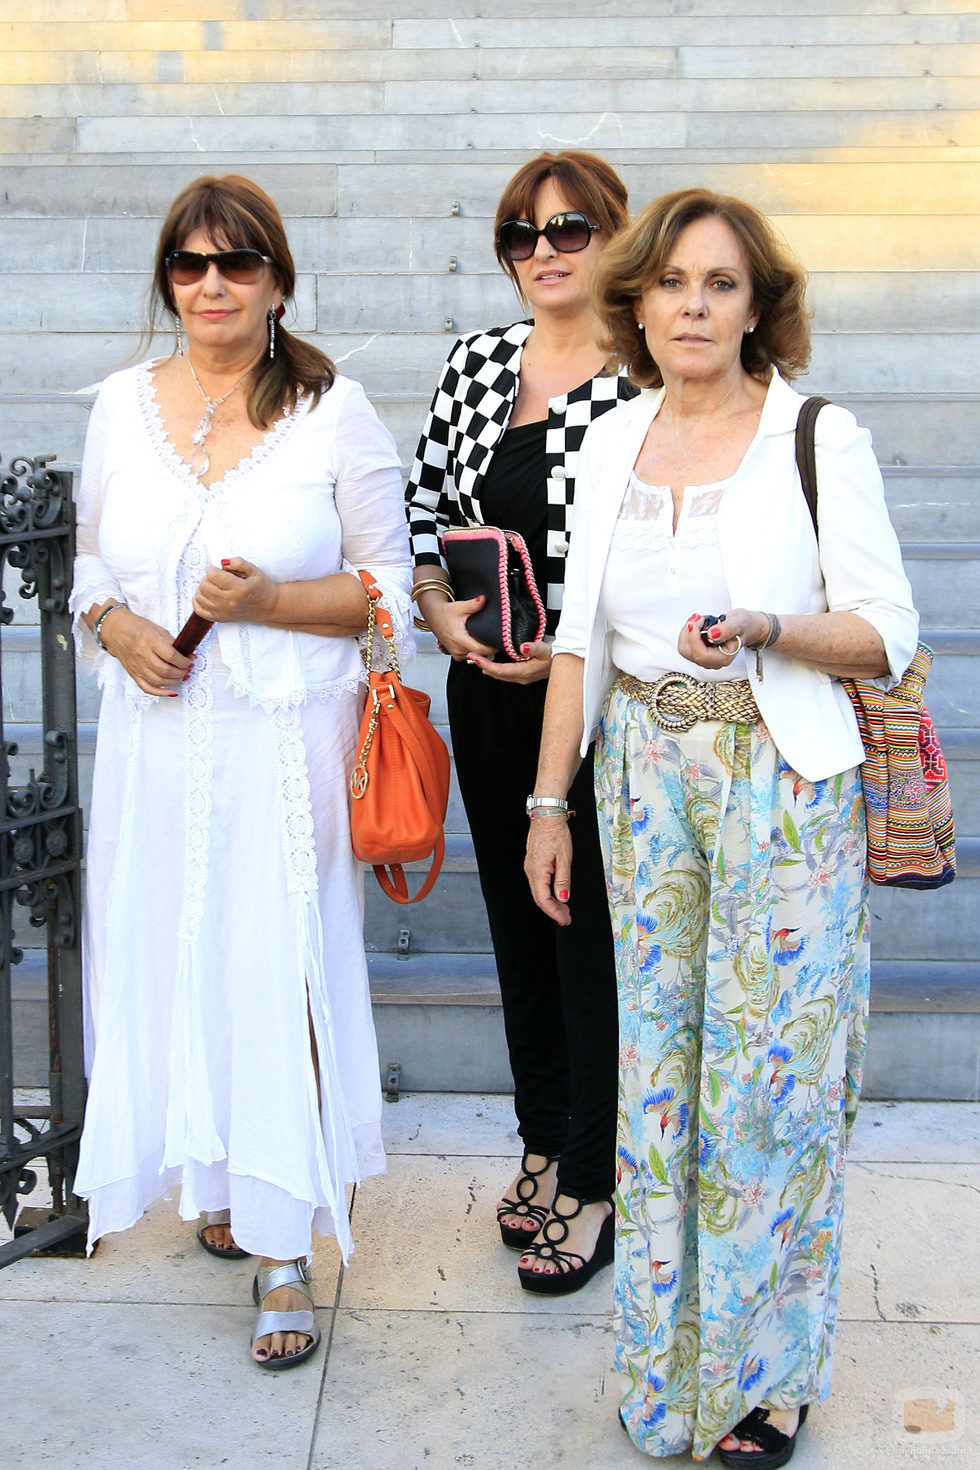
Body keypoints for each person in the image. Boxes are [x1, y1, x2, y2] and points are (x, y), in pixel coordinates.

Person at [524, 188, 918, 1460]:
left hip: (777, 779)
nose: (693, 306)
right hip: (640, 781)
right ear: (637, 299)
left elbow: (884, 629)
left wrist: (764, 628)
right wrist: (547, 804)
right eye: (673, 283)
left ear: (758, 308)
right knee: (663, 1089)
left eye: (721, 285)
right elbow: (577, 639)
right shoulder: (607, 438)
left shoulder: (814, 435)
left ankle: (769, 1379)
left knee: (771, 1086)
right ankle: (666, 1363)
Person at [70, 174, 412, 1369]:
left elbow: (387, 605)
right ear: (168, 281)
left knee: (281, 974)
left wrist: (269, 600)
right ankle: (219, 1179)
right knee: (182, 961)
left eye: (237, 263)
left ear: (276, 280)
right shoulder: (121, 406)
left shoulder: (333, 411)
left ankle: (282, 1249)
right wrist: (116, 629)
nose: (211, 284)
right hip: (158, 749)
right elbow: (85, 569)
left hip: (285, 750)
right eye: (188, 265)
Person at [405, 151, 636, 1293]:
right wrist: (445, 623)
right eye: (519, 234)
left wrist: (578, 651)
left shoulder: (646, 376)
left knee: (584, 933)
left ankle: (595, 1181)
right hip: (485, 694)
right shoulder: (475, 363)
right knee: (514, 923)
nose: (541, 251)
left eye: (568, 228)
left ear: (614, 237)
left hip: (598, 705)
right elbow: (423, 521)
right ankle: (542, 1140)